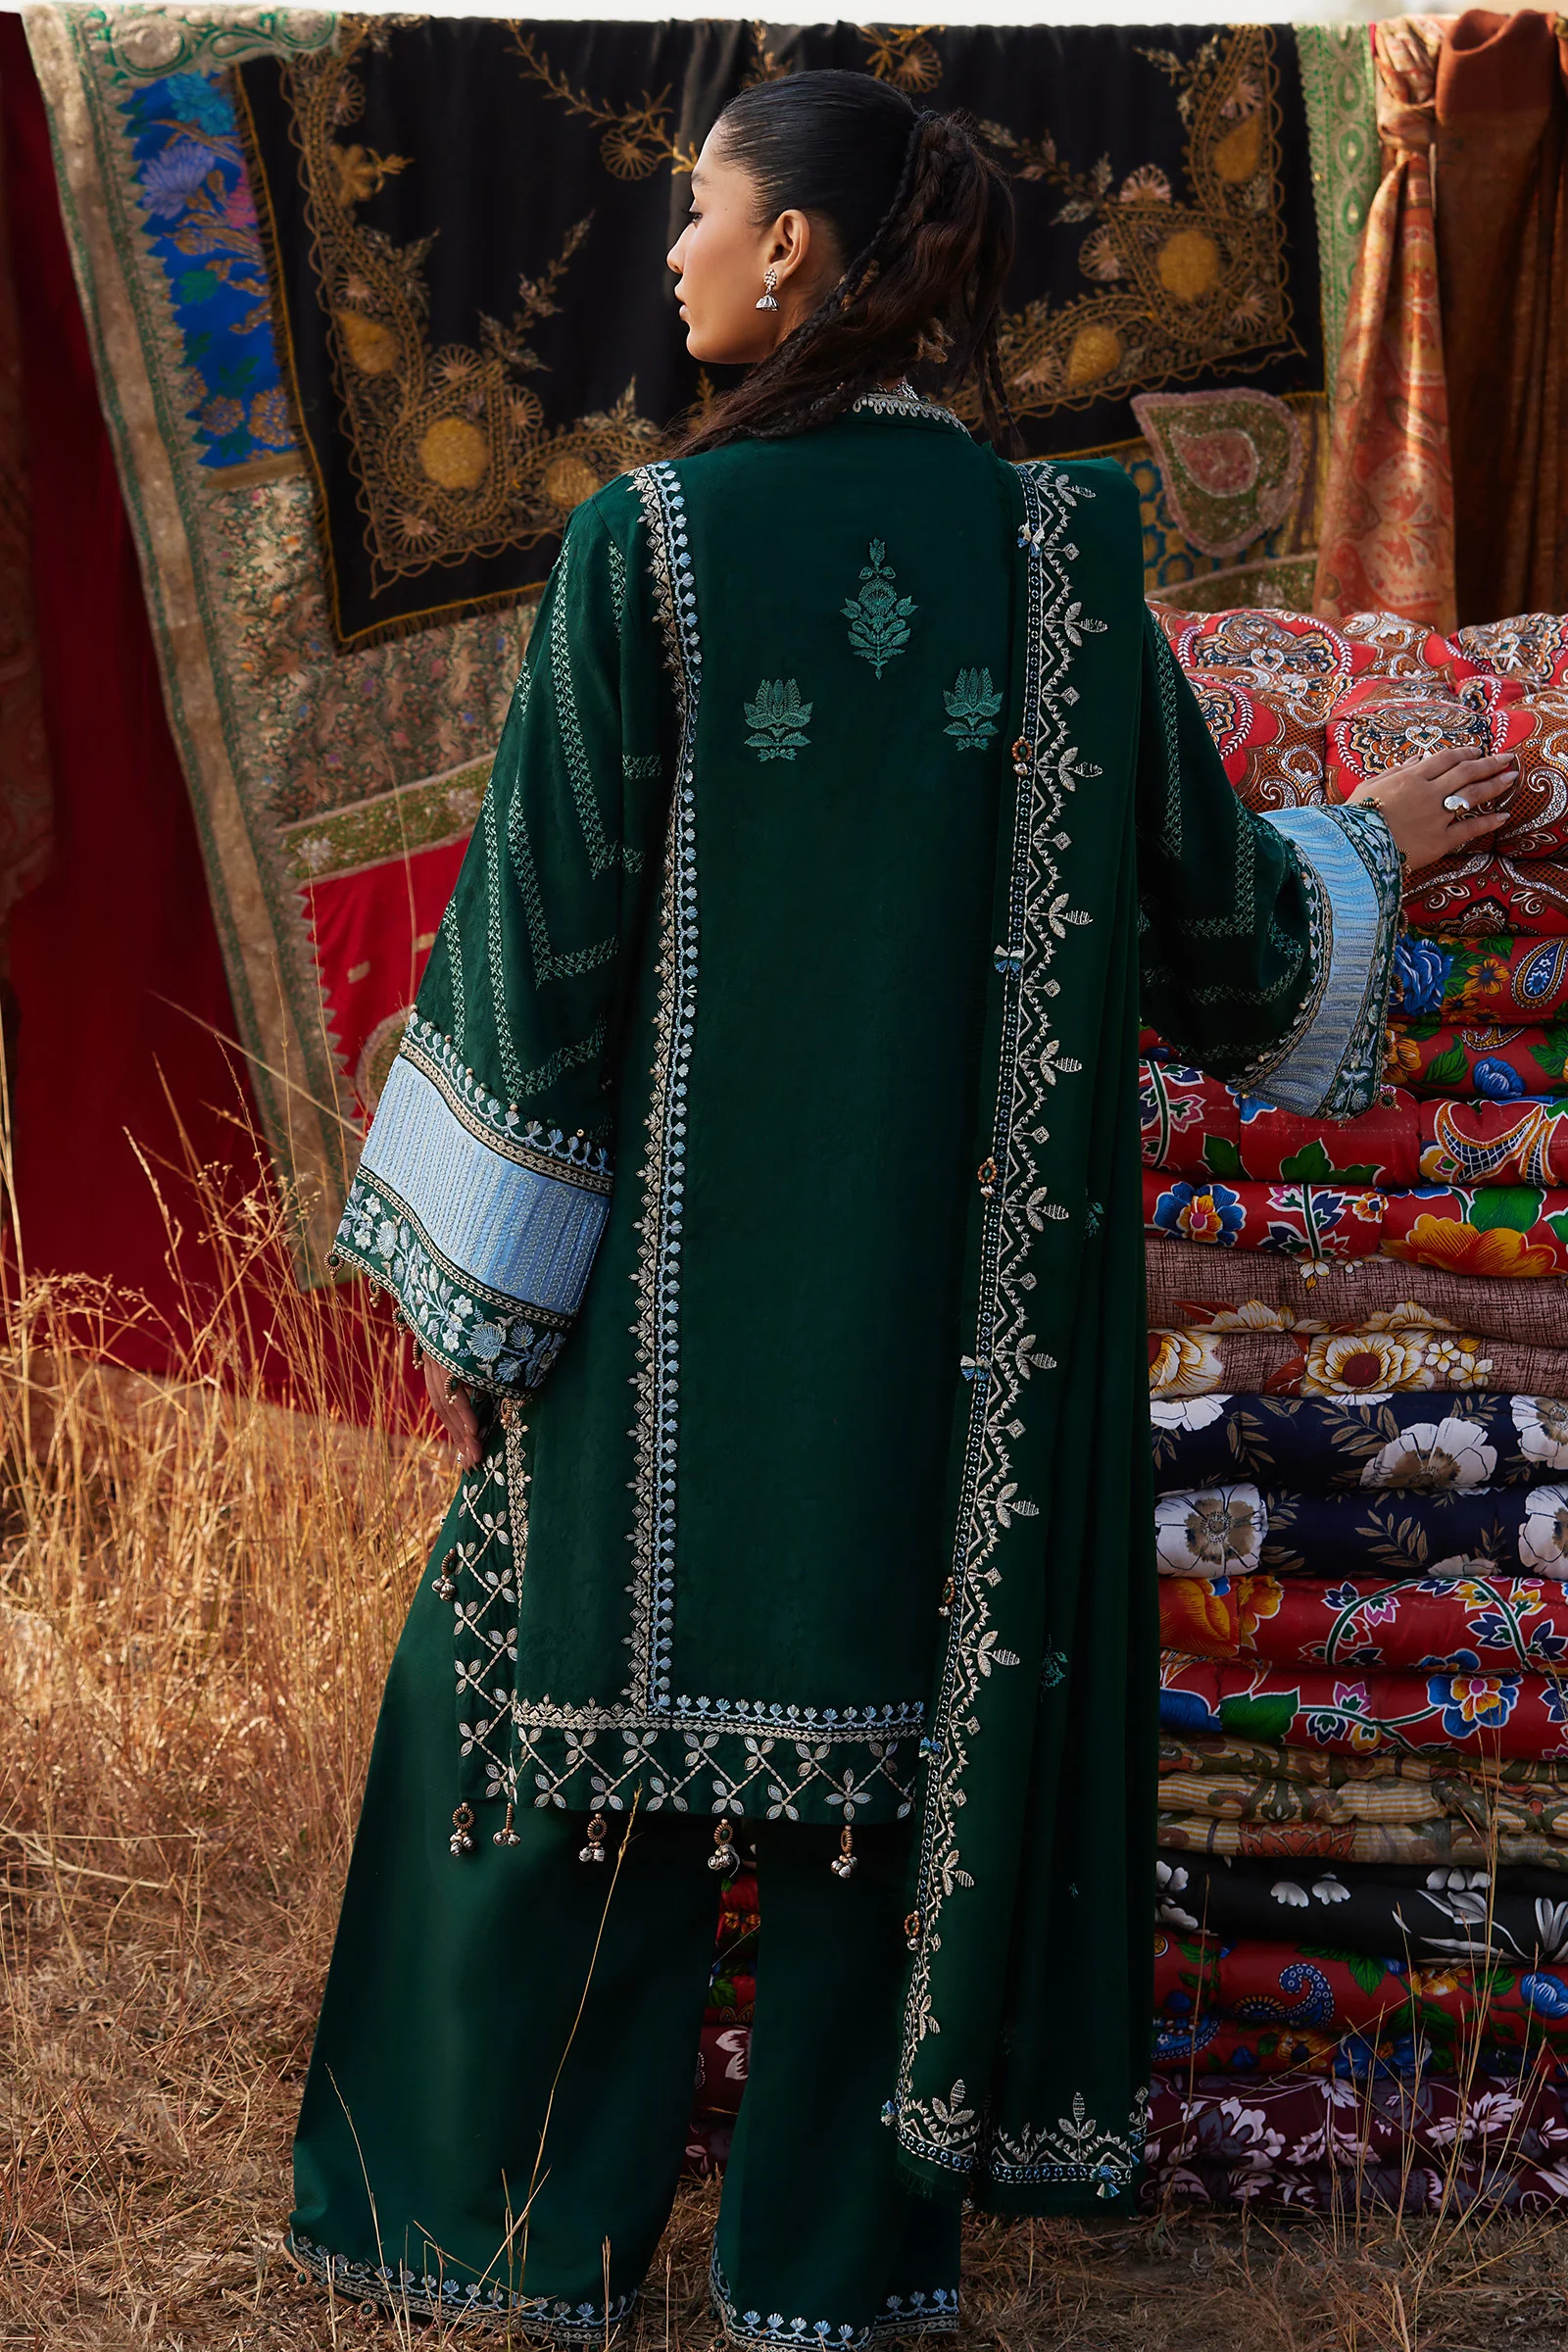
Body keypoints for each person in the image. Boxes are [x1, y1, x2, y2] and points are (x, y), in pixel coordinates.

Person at [290, 69, 1515, 2340]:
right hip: (957, 1381)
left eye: (697, 208)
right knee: (890, 1805)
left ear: (792, 252)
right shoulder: (1063, 563)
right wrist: (1368, 847)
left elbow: (539, 960)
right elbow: (1219, 941)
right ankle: (828, 2278)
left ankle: (507, 2233)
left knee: (537, 1723)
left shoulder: (645, 548)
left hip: (668, 1369)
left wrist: (482, 1312)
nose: (670, 249)